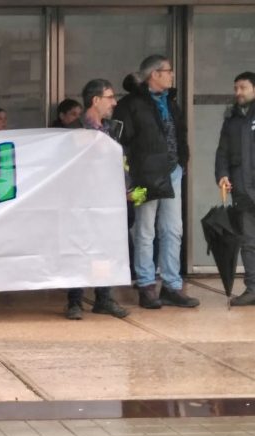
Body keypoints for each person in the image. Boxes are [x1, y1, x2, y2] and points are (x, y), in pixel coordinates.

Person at [113, 54, 199, 309]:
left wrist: (183, 161)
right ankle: (146, 285)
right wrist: (128, 179)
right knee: (145, 230)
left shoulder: (170, 101)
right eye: (168, 71)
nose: (172, 75)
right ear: (155, 74)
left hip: (172, 172)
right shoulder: (130, 104)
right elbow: (121, 143)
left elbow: (180, 133)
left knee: (173, 229)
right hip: (144, 176)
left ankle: (172, 285)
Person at [65, 79, 130, 320]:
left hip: (107, 200)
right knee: (78, 248)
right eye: (110, 97)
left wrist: (126, 186)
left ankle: (103, 297)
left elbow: (119, 161)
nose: (114, 102)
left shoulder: (112, 129)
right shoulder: (74, 130)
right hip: (80, 200)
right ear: (95, 100)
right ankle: (74, 300)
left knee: (104, 249)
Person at [216, 71, 255, 306]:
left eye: (243, 88)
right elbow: (222, 152)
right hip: (242, 190)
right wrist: (222, 175)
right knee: (248, 241)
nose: (238, 92)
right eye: (235, 88)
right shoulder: (231, 118)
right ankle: (252, 288)